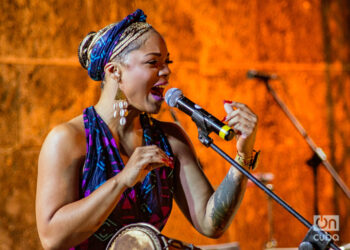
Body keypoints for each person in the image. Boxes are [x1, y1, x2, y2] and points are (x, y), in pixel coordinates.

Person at [35, 9, 259, 250]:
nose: (166, 72)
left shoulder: (170, 139)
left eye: (167, 63)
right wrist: (122, 180)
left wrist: (243, 154)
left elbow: (210, 223)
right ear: (114, 71)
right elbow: (51, 238)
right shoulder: (69, 139)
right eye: (153, 62)